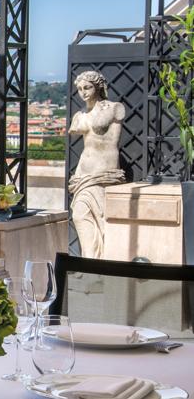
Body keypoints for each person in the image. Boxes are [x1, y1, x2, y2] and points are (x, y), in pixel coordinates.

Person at [68, 70, 126, 258]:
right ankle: (88, 263)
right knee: (79, 216)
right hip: (83, 175)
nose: (83, 92)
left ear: (98, 87)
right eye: (79, 89)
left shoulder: (114, 108)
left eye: (87, 87)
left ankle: (100, 266)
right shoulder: (80, 114)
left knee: (104, 222)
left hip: (104, 173)